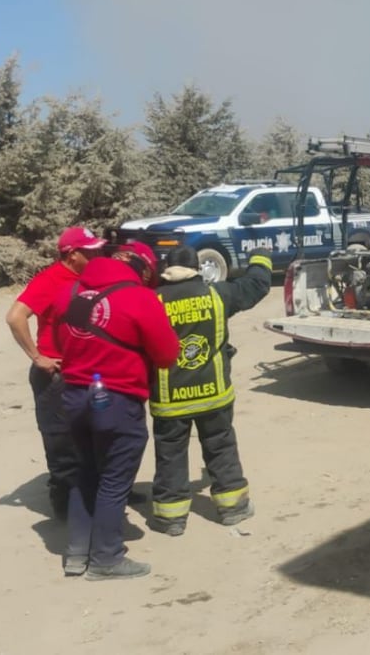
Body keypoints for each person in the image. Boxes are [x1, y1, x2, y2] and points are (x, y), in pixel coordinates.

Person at [51, 241, 179, 580]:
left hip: (74, 395)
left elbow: (60, 342)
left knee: (85, 473)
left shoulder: (70, 293)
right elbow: (167, 354)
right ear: (143, 271)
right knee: (114, 478)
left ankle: (76, 553)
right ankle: (106, 558)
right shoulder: (139, 298)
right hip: (117, 399)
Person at [149, 245, 272, 536]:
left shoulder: (153, 301)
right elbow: (255, 286)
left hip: (170, 398)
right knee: (220, 447)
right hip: (213, 393)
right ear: (197, 269)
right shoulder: (217, 294)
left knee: (170, 456)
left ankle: (171, 519)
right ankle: (233, 508)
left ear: (167, 270)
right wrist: (260, 258)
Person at [6, 227, 106, 518]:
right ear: (72, 255)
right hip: (56, 376)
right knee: (62, 441)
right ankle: (64, 503)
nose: (97, 255)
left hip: (89, 371)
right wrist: (38, 357)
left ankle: (103, 492)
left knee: (99, 434)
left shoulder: (89, 278)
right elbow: (15, 317)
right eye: (90, 251)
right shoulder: (50, 280)